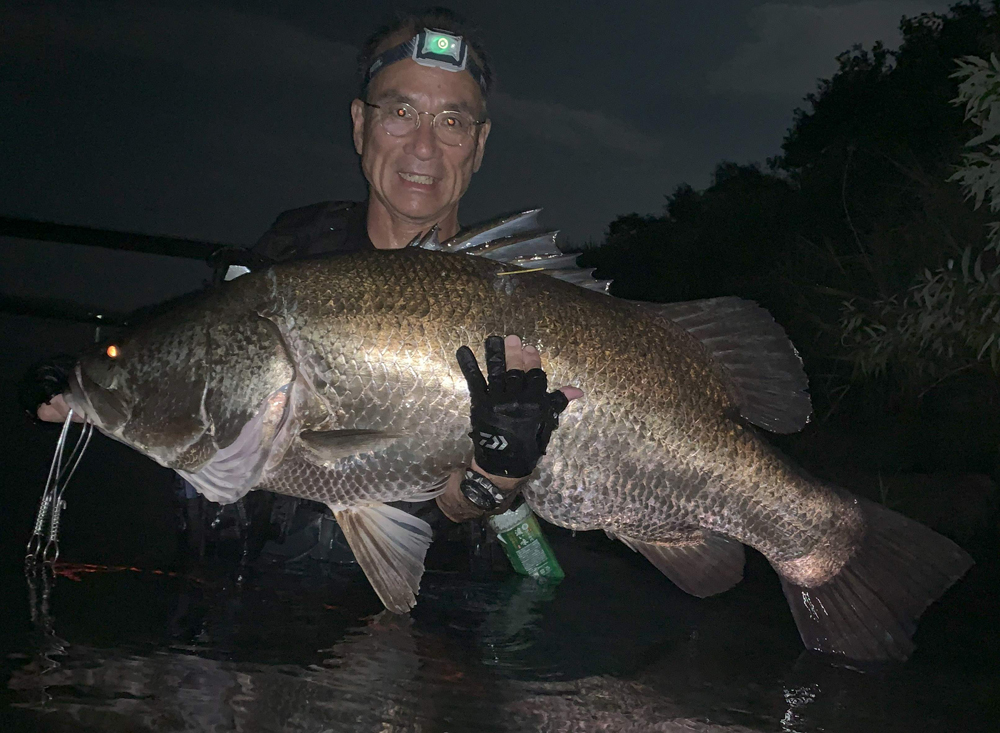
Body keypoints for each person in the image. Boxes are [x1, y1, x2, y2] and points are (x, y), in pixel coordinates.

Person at [29, 7, 582, 573]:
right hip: (248, 600)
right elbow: (186, 354)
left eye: (452, 122)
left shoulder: (521, 294)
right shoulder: (288, 256)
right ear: (360, 125)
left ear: (479, 143)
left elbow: (456, 513)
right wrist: (85, 377)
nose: (423, 147)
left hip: (437, 621)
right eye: (400, 112)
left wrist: (493, 483)